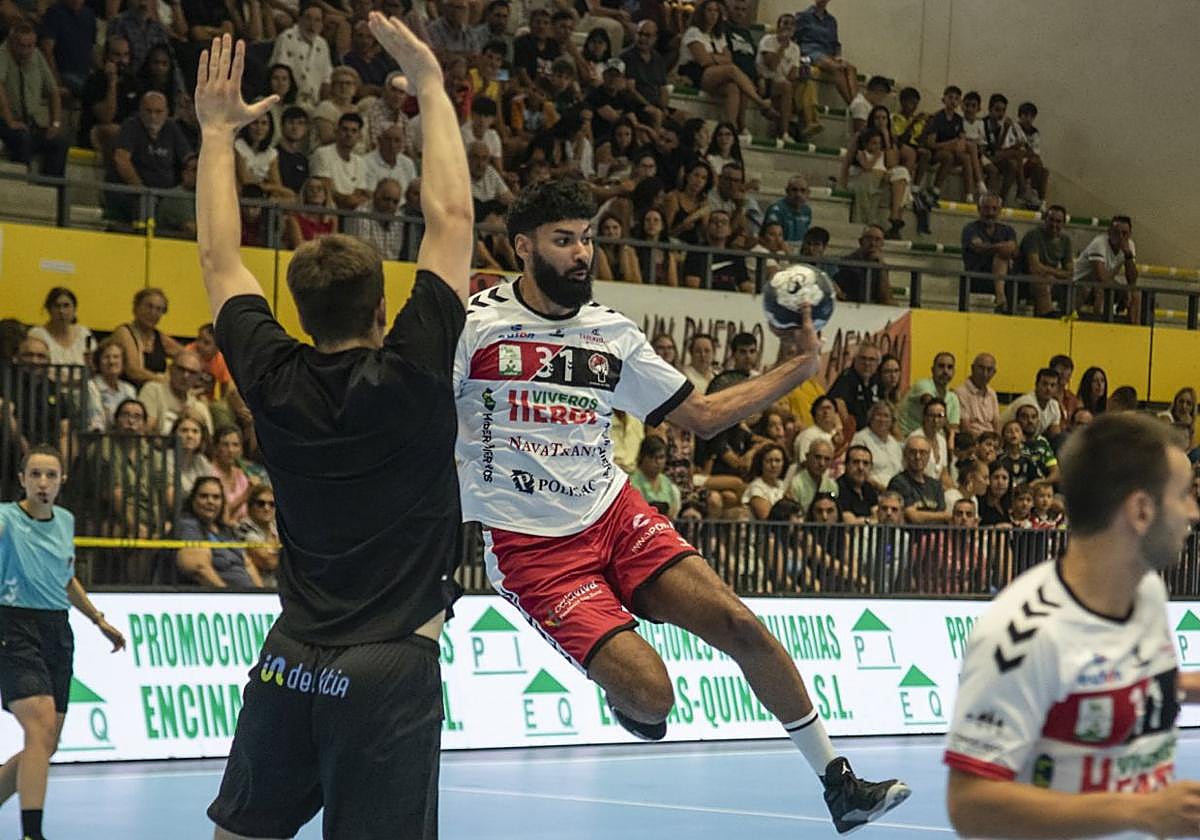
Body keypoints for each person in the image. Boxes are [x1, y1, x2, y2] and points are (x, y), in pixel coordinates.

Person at [455, 177, 909, 831]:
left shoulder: (610, 332)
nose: (581, 253)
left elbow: (701, 415)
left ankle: (840, 785)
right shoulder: (474, 328)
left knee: (741, 626)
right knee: (651, 699)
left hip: (614, 514)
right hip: (531, 549)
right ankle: (622, 685)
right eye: (564, 241)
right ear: (523, 247)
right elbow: (419, 420)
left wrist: (801, 367)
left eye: (587, 238)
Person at [194, 20, 472, 838]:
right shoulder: (416, 371)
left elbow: (220, 260)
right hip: (389, 665)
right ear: (384, 310)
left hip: (290, 657)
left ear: (300, 315)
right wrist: (428, 85)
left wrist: (217, 135)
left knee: (238, 832)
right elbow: (450, 217)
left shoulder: (273, 377)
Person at [945, 413, 1200, 839]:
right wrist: (1140, 810)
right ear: (1140, 511)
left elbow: (1129, 683)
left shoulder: (1148, 591)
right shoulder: (1023, 635)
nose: (1193, 512)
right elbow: (970, 805)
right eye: (1183, 495)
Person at [0, 445, 125, 840]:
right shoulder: (6, 520)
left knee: (46, 743)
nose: (42, 482)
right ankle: (31, 834)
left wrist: (98, 619)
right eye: (34, 474)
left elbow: (65, 578)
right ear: (22, 479)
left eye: (50, 475)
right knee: (38, 729)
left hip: (58, 631)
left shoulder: (66, 521)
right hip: (13, 625)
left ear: (61, 482)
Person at [0, 23, 69, 178]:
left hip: (30, 122)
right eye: (21, 46)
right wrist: (10, 120)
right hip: (5, 122)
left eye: (30, 46)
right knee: (22, 139)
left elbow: (53, 91)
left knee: (59, 142)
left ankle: (51, 193)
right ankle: (20, 188)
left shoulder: (36, 55)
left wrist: (55, 123)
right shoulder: (2, 54)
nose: (26, 51)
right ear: (12, 42)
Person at [174, 476, 262, 588]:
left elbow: (247, 564)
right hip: (221, 600)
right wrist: (228, 595)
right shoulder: (188, 525)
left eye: (216, 497)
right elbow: (199, 567)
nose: (210, 501)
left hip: (249, 598)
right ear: (193, 500)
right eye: (204, 496)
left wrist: (262, 593)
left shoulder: (225, 530)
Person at [1073, 215, 1139, 324]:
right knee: (1102, 290)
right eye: (1117, 233)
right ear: (1109, 232)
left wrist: (1128, 255)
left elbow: (1132, 280)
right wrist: (1122, 290)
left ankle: (1135, 328)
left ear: (1130, 235)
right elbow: (1101, 277)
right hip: (1079, 282)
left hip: (1102, 283)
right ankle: (1099, 326)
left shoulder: (1130, 246)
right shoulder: (1099, 243)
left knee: (1136, 294)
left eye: (1124, 233)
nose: (1121, 237)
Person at [113, 287, 185, 386]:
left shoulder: (159, 337)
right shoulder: (124, 332)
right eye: (149, 306)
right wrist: (166, 382)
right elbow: (134, 371)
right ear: (136, 307)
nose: (153, 313)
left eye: (159, 309)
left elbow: (186, 356)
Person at [961, 193, 1018, 312]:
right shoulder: (970, 229)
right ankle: (1001, 298)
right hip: (978, 277)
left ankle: (1002, 301)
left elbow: (1013, 249)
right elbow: (978, 247)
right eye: (986, 208)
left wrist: (994, 248)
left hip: (1007, 279)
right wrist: (1001, 246)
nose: (990, 213)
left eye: (994, 209)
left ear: (1000, 210)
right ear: (979, 209)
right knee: (1001, 256)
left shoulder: (1007, 230)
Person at [792, 0, 856, 104]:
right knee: (837, 68)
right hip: (811, 51)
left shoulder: (831, 21)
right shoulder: (802, 16)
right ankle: (853, 105)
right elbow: (794, 38)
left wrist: (838, 56)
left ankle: (857, 104)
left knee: (851, 68)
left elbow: (835, 43)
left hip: (828, 53)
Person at [1018, 204, 1072, 317]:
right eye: (1051, 220)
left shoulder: (1066, 241)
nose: (1054, 224)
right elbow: (1034, 268)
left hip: (1052, 281)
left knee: (1080, 287)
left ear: (1063, 223)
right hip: (1026, 281)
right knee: (1044, 282)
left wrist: (1050, 272)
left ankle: (1072, 319)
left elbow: (1070, 272)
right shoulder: (1033, 236)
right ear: (1045, 219)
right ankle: (1047, 319)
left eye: (1058, 221)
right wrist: (1056, 273)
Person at [25, 287, 95, 369]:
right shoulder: (37, 334)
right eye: (57, 306)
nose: (61, 311)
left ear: (74, 309)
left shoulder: (84, 334)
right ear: (49, 309)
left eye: (66, 306)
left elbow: (94, 366)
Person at [887, 435, 949, 524]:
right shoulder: (898, 482)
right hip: (909, 535)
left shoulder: (936, 485)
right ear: (905, 455)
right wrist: (942, 516)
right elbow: (914, 517)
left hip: (934, 536)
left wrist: (941, 516)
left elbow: (942, 517)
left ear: (928, 456)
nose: (918, 456)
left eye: (923, 452)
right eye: (913, 452)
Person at [900, 351, 960, 438]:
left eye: (950, 367)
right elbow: (932, 407)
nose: (945, 371)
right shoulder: (923, 385)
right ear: (932, 369)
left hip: (936, 441)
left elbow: (953, 429)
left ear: (954, 372)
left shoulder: (953, 398)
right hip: (910, 437)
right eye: (941, 366)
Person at [833, 224, 893, 305]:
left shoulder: (881, 264)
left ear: (882, 244)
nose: (873, 243)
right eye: (869, 238)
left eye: (877, 240)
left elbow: (886, 298)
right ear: (861, 241)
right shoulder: (845, 263)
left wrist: (881, 266)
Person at [827, 341, 880, 431]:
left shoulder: (876, 379)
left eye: (871, 359)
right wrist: (849, 429)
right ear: (855, 360)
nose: (867, 363)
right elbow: (838, 401)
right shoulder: (848, 377)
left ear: (877, 363)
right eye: (863, 358)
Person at [86, 338, 137, 431]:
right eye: (106, 357)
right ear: (98, 362)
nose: (111, 362)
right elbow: (96, 423)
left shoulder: (129, 389)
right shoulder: (91, 387)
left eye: (116, 357)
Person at [851, 400, 903, 490]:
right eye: (878, 415)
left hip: (896, 491)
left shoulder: (894, 443)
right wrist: (881, 488)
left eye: (886, 416)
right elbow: (858, 471)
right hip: (872, 490)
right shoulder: (861, 438)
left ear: (892, 421)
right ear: (871, 418)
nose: (882, 419)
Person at [954, 352, 999, 437]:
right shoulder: (960, 392)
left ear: (994, 372)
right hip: (972, 443)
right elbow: (965, 429)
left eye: (989, 370)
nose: (985, 373)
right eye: (981, 368)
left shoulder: (992, 393)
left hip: (991, 443)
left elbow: (996, 424)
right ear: (972, 368)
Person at [764, 175, 813, 248]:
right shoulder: (776, 210)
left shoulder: (807, 211)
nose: (798, 194)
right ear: (787, 191)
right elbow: (772, 240)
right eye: (794, 190)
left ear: (808, 193)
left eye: (803, 190)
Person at [837, 444, 877, 523]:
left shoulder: (868, 488)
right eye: (856, 462)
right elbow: (851, 523)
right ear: (846, 465)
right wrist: (870, 520)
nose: (861, 468)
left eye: (865, 463)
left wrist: (865, 521)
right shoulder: (838, 487)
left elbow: (878, 516)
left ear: (871, 467)